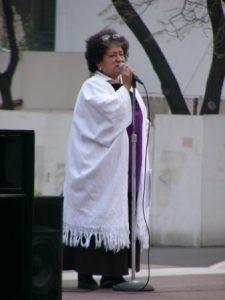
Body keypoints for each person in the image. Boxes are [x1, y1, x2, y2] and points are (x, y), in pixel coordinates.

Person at [63, 28, 151, 290]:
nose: (118, 58)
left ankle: (114, 272)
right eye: (112, 55)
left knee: (123, 211)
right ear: (98, 62)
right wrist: (124, 89)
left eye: (121, 53)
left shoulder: (129, 89)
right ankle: (86, 272)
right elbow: (111, 117)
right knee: (99, 214)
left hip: (126, 166)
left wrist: (126, 90)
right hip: (99, 169)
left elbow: (138, 120)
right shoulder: (92, 88)